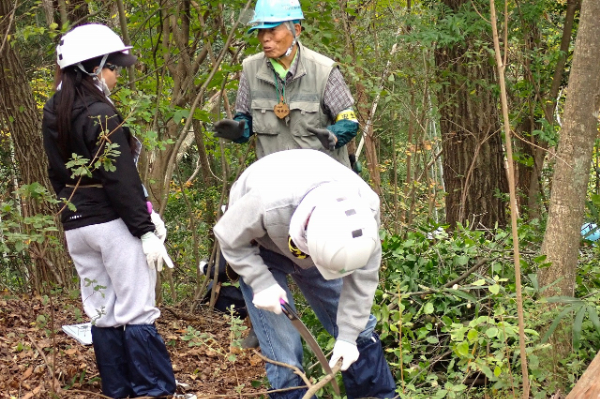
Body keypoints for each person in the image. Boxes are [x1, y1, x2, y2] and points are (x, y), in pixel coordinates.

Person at [42, 23, 178, 398]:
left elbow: (56, 173)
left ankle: (118, 390)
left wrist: (72, 210)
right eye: (113, 67)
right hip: (112, 223)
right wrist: (144, 228)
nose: (117, 74)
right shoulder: (101, 114)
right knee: (137, 310)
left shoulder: (53, 110)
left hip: (76, 226)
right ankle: (153, 391)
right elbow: (121, 179)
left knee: (102, 312)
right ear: (92, 68)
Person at [213, 149, 397, 399]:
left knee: (358, 328)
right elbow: (228, 236)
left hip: (328, 247)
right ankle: (291, 392)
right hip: (260, 246)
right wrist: (261, 282)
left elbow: (362, 280)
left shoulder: (365, 213)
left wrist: (349, 337)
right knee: (283, 347)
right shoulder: (265, 201)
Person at [213, 0, 360, 170]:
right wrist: (240, 130)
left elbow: (349, 120)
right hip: (275, 180)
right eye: (260, 31)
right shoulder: (250, 69)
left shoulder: (324, 70)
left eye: (272, 30)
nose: (264, 38)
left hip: (322, 181)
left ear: (296, 30)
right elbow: (245, 117)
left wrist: (334, 135)